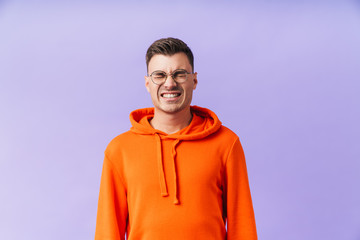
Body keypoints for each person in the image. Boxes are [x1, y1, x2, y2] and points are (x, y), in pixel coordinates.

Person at [95, 37, 257, 240]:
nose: (169, 83)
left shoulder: (226, 143)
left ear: (194, 80)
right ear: (147, 83)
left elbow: (242, 225)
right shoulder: (120, 149)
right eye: (159, 75)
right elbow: (107, 231)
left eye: (179, 74)